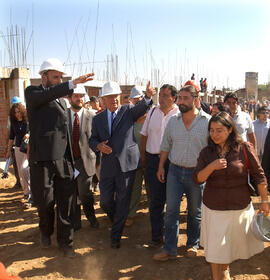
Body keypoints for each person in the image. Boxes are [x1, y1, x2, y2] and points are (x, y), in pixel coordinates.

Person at [25, 57, 94, 258]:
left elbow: (65, 132)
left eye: (61, 77)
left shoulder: (63, 103)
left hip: (63, 162)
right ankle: (45, 232)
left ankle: (66, 243)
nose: (58, 80)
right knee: (45, 202)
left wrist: (71, 162)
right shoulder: (33, 93)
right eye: (55, 77)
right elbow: (48, 95)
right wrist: (72, 83)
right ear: (43, 77)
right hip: (42, 161)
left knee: (67, 203)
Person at [193, 111, 269, 280]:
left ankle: (225, 269)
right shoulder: (206, 152)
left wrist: (264, 201)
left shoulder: (244, 148)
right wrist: (212, 166)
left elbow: (259, 175)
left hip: (238, 208)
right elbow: (198, 178)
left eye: (219, 130)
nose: (214, 134)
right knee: (215, 250)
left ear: (229, 130)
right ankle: (217, 277)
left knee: (227, 248)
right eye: (211, 130)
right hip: (214, 209)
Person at [89, 80, 155, 249]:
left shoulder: (128, 111)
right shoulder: (97, 119)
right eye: (110, 97)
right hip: (108, 166)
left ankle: (115, 235)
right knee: (105, 201)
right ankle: (118, 219)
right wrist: (98, 146)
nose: (114, 100)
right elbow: (92, 139)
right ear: (103, 100)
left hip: (127, 165)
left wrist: (147, 96)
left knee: (123, 200)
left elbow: (142, 107)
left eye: (116, 96)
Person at [153, 85, 211, 261]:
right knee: (171, 211)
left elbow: (213, 148)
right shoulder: (173, 122)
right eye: (180, 98)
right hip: (175, 172)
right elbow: (165, 146)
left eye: (186, 98)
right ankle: (169, 249)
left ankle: (192, 244)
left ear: (195, 99)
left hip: (197, 174)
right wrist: (161, 166)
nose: (182, 101)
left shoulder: (207, 122)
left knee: (195, 211)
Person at [140, 84, 179, 247]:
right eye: (160, 95)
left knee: (172, 202)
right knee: (156, 200)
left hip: (173, 163)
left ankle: (171, 239)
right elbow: (144, 136)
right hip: (153, 161)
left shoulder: (179, 114)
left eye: (165, 95)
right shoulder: (153, 112)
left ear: (173, 98)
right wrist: (144, 159)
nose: (161, 99)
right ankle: (156, 237)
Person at [67, 85, 99, 230]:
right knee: (71, 194)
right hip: (68, 162)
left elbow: (97, 138)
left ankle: (91, 217)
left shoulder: (92, 116)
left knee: (85, 192)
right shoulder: (63, 115)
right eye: (76, 96)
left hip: (85, 161)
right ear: (69, 98)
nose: (79, 99)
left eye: (81, 96)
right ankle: (76, 222)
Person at [125, 86, 150, 227]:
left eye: (139, 99)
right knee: (135, 187)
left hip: (150, 158)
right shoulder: (130, 118)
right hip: (134, 160)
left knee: (151, 187)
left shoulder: (151, 116)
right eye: (134, 99)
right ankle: (131, 213)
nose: (136, 101)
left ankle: (154, 212)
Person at [5, 102, 30, 200]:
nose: (18, 114)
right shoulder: (14, 124)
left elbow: (33, 131)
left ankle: (31, 192)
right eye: (15, 113)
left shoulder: (27, 121)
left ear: (22, 111)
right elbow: (11, 138)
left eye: (19, 112)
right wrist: (8, 151)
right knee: (20, 172)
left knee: (25, 169)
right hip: (18, 149)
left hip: (28, 148)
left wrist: (29, 134)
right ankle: (26, 192)